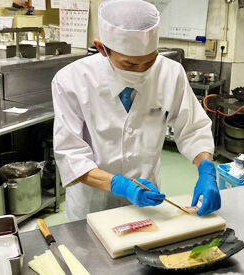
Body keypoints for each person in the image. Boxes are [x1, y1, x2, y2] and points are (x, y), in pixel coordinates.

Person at [52, 0, 221, 222]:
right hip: (92, 206)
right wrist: (119, 185)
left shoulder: (170, 73)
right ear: (102, 48)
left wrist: (206, 168)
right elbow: (70, 154)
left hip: (147, 202)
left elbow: (193, 128)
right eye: (130, 64)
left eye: (149, 62)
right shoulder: (71, 81)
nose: (141, 72)